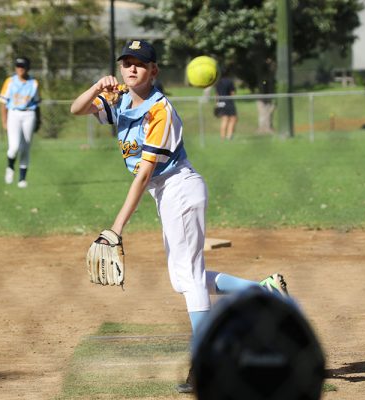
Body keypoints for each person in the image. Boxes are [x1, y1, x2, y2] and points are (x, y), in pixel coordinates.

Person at [70, 39, 288, 394]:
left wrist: (116, 227)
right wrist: (97, 86)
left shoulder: (160, 110)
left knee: (189, 276)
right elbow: (76, 110)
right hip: (166, 193)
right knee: (184, 278)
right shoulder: (119, 99)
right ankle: (264, 294)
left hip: (180, 188)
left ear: (153, 71)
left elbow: (144, 173)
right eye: (126, 62)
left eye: (139, 63)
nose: (131, 68)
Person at [0, 56, 41, 188]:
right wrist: (4, 121)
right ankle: (10, 167)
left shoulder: (34, 83)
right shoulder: (10, 81)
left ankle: (22, 179)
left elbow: (37, 103)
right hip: (14, 113)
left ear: (27, 68)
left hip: (29, 114)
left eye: (22, 66)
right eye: (17, 66)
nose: (19, 69)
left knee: (25, 148)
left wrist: (38, 120)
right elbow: (3, 103)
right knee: (14, 147)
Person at [214, 68, 237, 140]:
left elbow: (217, 94)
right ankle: (229, 135)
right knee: (233, 119)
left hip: (220, 102)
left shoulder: (218, 82)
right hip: (228, 102)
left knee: (224, 119)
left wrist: (217, 104)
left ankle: (222, 136)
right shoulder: (229, 81)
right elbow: (232, 93)